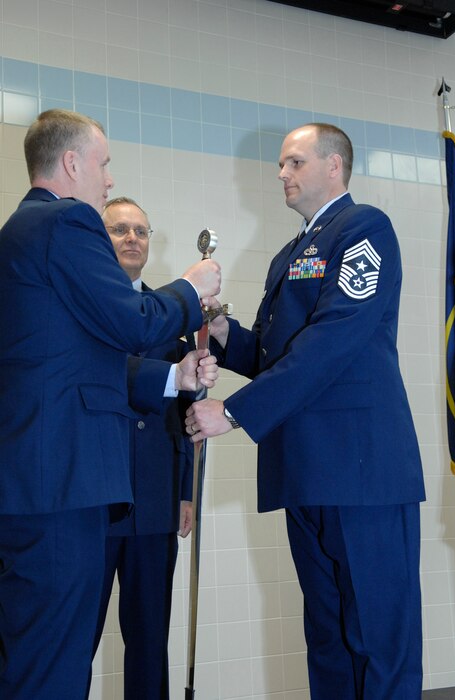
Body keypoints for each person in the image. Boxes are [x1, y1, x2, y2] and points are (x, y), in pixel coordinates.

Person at [185, 123, 425, 699]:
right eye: (281, 164)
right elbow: (277, 354)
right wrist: (222, 332)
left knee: (378, 638)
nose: (281, 174)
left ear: (333, 166)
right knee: (328, 638)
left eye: (294, 162)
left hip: (361, 469)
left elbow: (335, 340)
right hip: (306, 470)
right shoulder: (287, 255)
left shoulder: (365, 228)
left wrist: (235, 413)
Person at [0, 108, 220, 700]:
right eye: (104, 164)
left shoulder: (23, 232)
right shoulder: (67, 221)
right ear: (72, 163)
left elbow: (83, 356)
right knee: (53, 664)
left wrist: (171, 375)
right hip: (60, 482)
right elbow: (132, 322)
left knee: (34, 655)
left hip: (38, 480)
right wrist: (192, 289)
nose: (109, 179)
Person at [89, 197, 194, 700]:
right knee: (74, 640)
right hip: (93, 500)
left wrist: (186, 490)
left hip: (155, 500)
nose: (133, 238)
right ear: (98, 238)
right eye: (119, 229)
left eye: (142, 231)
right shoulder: (81, 303)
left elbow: (187, 409)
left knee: (150, 641)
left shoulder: (171, 314)